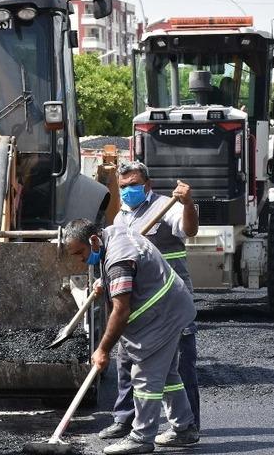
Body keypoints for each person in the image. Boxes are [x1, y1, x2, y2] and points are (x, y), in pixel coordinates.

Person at [64, 219, 197, 455]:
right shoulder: (113, 234)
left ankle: (142, 436)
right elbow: (128, 268)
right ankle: (184, 428)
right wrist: (105, 280)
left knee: (144, 375)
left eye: (80, 253)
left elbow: (121, 310)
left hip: (163, 315)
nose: (80, 260)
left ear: (94, 240)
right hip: (173, 306)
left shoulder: (118, 261)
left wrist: (103, 350)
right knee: (167, 375)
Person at [98, 161, 201, 443]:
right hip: (140, 307)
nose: (129, 190)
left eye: (134, 184)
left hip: (169, 302)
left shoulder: (165, 207)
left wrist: (188, 203)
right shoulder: (120, 219)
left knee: (179, 365)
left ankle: (188, 426)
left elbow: (188, 230)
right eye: (124, 186)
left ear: (147, 185)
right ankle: (125, 420)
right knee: (126, 363)